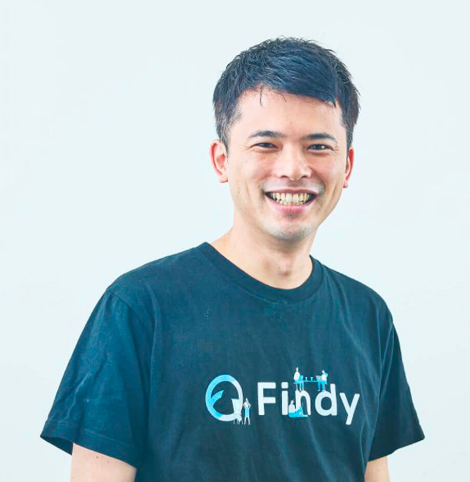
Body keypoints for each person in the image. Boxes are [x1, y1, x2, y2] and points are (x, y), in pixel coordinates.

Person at [40, 37, 425, 482]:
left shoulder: (367, 317)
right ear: (222, 160)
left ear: (348, 165)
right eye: (266, 145)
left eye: (318, 146)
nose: (293, 168)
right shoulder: (140, 308)